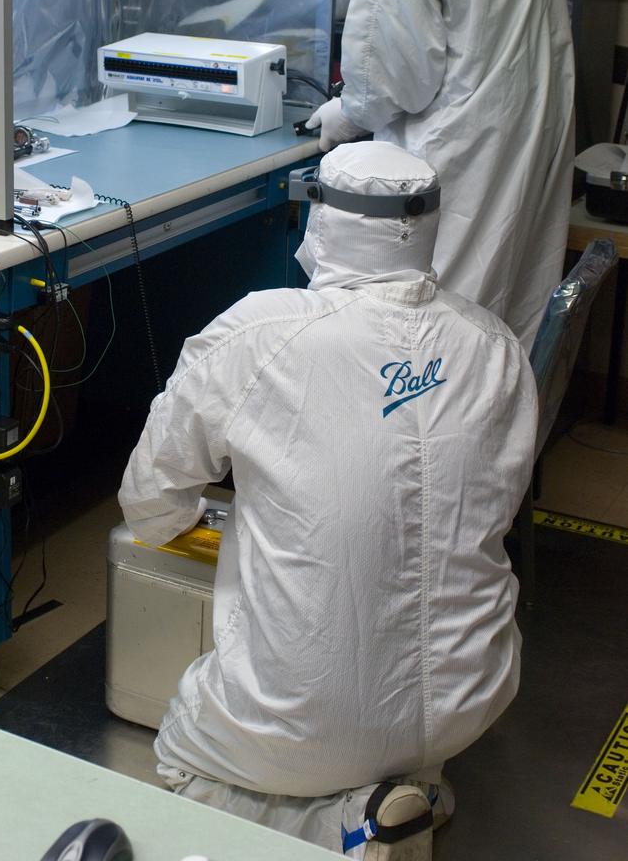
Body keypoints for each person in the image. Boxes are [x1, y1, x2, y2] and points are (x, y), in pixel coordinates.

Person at [119, 141, 537, 858]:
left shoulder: (260, 334)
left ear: (325, 223)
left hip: (308, 715)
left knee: (183, 756)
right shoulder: (496, 347)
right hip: (475, 696)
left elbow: (149, 505)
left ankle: (348, 827)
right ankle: (413, 790)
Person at [306, 0, 575, 352]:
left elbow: (390, 74)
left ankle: (438, 443)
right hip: (529, 123)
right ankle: (504, 434)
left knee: (442, 325)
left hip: (462, 146)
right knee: (512, 304)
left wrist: (347, 113)